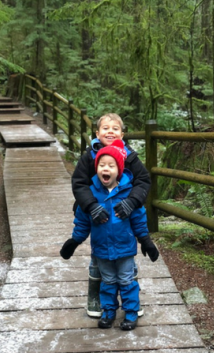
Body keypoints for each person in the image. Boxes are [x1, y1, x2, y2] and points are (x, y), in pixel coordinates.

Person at [60, 139, 159, 330]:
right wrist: (75, 240)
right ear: (96, 168)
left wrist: (145, 240)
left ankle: (130, 313)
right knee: (108, 282)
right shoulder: (91, 194)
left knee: (126, 281)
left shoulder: (128, 194)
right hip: (102, 249)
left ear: (119, 170)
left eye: (111, 165)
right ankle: (109, 311)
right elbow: (82, 220)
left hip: (124, 249)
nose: (106, 168)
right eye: (102, 165)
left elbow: (139, 220)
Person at [71, 113, 150, 318]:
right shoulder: (90, 155)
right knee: (99, 258)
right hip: (94, 211)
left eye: (115, 129)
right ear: (97, 133)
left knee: (126, 258)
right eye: (105, 128)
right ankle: (95, 297)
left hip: (122, 211)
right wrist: (90, 206)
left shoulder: (129, 155)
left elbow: (143, 180)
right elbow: (79, 182)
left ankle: (132, 300)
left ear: (122, 134)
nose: (110, 132)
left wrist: (132, 202)